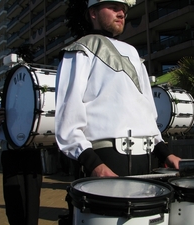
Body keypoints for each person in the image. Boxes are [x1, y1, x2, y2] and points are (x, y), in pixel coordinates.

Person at [55, 0, 181, 177]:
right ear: (93, 13)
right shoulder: (80, 49)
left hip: (146, 157)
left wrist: (165, 153)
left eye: (123, 10)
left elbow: (147, 113)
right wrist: (94, 165)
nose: (122, 14)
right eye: (114, 8)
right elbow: (68, 117)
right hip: (106, 159)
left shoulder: (133, 52)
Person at [0, 95, 42, 225]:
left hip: (31, 151)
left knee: (32, 203)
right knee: (14, 204)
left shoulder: (30, 94)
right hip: (10, 154)